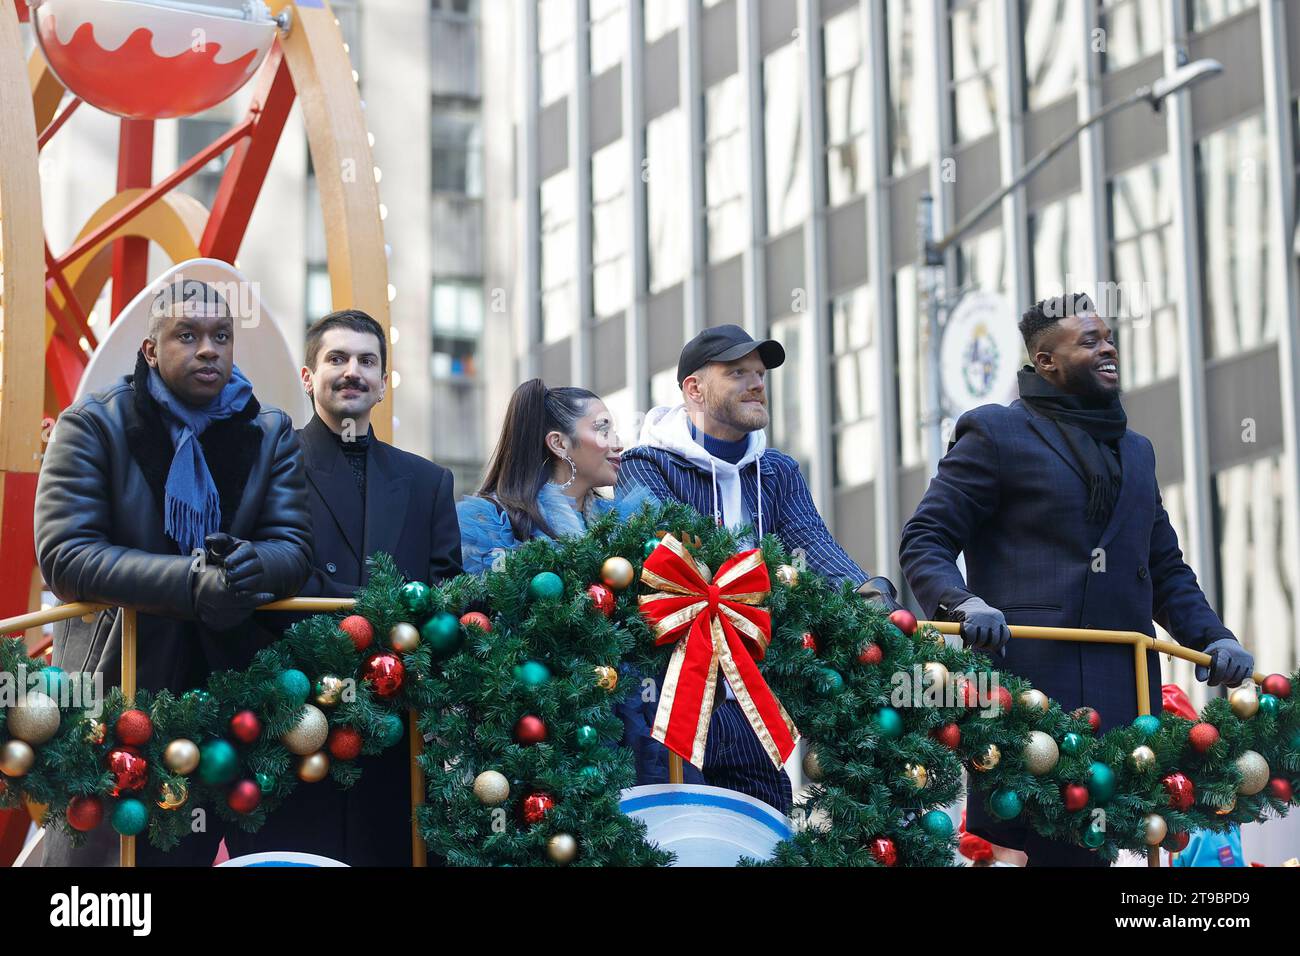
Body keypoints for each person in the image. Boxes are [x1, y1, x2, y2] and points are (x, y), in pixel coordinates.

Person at [899, 292, 1254, 867]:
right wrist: (962, 603)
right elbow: (926, 539)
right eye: (1089, 341)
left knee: (1094, 854)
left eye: (1109, 336)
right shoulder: (996, 435)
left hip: (1122, 692)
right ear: (1046, 362)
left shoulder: (1136, 452)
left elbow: (1165, 568)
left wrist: (1213, 637)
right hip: (1031, 697)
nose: (1108, 347)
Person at [34, 278, 313, 866]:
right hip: (116, 701)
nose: (208, 349)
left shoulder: (268, 433)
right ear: (150, 349)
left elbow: (292, 548)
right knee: (97, 873)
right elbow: (64, 554)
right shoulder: (92, 425)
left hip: (231, 704)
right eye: (186, 335)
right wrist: (191, 581)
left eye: (221, 336)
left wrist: (247, 565)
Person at [615, 324, 903, 813]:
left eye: (760, 374)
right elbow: (676, 561)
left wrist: (868, 596)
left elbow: (813, 545)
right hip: (672, 700)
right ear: (694, 389)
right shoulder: (645, 464)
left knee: (768, 826)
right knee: (685, 837)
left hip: (752, 694)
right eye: (738, 374)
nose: (756, 384)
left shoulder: (778, 470)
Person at [228, 309, 463, 866]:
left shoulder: (429, 483)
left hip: (394, 737)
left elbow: (447, 595)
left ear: (384, 382)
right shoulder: (262, 469)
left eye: (366, 361)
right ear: (308, 377)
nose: (351, 371)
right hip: (290, 729)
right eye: (336, 358)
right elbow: (244, 585)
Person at [456, 379, 648, 573]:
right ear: (559, 443)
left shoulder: (621, 524)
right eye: (603, 430)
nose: (618, 444)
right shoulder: (495, 525)